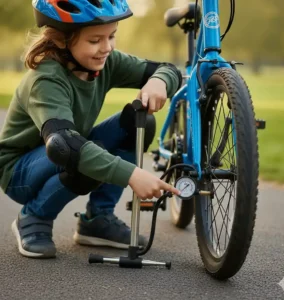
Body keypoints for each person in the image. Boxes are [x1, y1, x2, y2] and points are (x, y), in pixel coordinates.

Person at [0, 0, 182, 259]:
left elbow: (168, 69)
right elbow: (64, 145)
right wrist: (132, 174)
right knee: (81, 154)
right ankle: (34, 218)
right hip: (18, 172)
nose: (106, 48)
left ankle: (97, 219)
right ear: (62, 40)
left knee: (138, 121)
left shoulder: (106, 62)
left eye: (112, 36)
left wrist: (159, 81)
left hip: (68, 146)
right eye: (95, 40)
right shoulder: (47, 79)